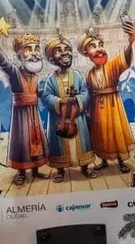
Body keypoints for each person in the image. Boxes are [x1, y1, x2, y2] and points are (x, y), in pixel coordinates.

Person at [0, 31, 48, 185]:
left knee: (36, 140)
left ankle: (35, 169)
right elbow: (3, 62)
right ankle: (21, 172)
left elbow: (37, 92)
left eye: (36, 49)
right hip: (21, 116)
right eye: (29, 49)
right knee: (22, 142)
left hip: (34, 114)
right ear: (20, 55)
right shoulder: (15, 72)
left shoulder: (35, 76)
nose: (34, 53)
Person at [38, 31, 96, 182]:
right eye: (59, 51)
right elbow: (46, 97)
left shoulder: (77, 76)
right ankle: (60, 169)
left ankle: (85, 167)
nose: (65, 53)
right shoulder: (51, 79)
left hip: (77, 119)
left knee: (82, 141)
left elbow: (85, 93)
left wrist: (77, 99)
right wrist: (60, 101)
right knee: (59, 144)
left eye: (67, 49)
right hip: (59, 118)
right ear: (52, 59)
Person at [81, 20, 135, 174]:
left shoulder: (112, 65)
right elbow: (89, 92)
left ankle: (120, 161)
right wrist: (88, 110)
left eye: (100, 44)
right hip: (97, 108)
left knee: (116, 131)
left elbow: (124, 57)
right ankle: (104, 160)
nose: (99, 49)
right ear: (86, 53)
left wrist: (131, 41)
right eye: (93, 46)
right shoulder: (89, 74)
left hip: (113, 105)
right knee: (101, 134)